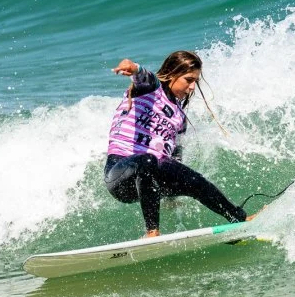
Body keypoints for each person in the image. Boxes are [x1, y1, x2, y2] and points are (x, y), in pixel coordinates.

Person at [103, 50, 250, 238]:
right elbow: (141, 74)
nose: (192, 87)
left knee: (196, 180)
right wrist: (131, 67)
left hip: (152, 177)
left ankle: (238, 218)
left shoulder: (179, 117)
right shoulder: (151, 88)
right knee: (148, 160)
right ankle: (152, 232)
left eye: (195, 81)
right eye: (188, 80)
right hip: (120, 175)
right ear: (172, 74)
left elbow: (174, 159)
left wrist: (171, 197)